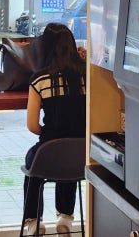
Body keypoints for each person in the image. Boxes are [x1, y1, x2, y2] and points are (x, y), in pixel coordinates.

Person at [22, 22, 86, 236]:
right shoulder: (88, 75)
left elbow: (32, 126)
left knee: (35, 161)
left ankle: (34, 222)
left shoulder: (39, 80)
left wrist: (51, 133)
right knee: (68, 154)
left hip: (49, 153)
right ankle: (65, 218)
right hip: (81, 155)